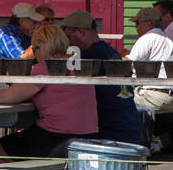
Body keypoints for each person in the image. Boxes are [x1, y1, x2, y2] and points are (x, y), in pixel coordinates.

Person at [0, 24, 98, 170]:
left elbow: (6, 98)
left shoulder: (45, 68)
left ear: (41, 47)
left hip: (59, 139)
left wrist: (0, 89)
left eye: (35, 49)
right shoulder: (77, 65)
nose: (34, 54)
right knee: (20, 143)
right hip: (88, 137)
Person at [60, 10, 144, 143]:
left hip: (110, 134)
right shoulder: (111, 52)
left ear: (81, 32)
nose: (67, 43)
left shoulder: (88, 57)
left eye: (68, 36)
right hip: (130, 127)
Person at [128, 8, 173, 115]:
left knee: (117, 100)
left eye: (137, 23)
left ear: (149, 24)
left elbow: (129, 64)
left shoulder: (148, 37)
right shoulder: (167, 39)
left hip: (155, 96)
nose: (136, 27)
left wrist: (117, 57)